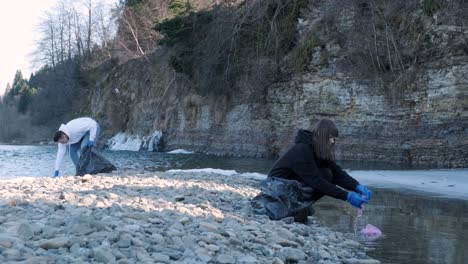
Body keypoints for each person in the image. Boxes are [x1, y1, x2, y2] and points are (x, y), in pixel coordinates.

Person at [252, 119, 371, 221]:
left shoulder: (318, 151)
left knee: (328, 174)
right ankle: (293, 210)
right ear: (320, 135)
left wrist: (356, 186)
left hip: (290, 187)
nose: (333, 141)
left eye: (334, 138)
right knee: (325, 177)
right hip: (276, 189)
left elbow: (337, 173)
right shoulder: (302, 149)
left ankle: (297, 209)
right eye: (330, 137)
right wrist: (347, 196)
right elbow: (316, 181)